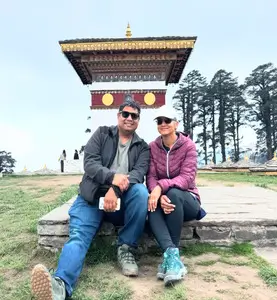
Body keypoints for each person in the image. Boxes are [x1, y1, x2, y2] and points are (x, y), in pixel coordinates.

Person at [31, 99, 150, 300]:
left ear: (138, 120)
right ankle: (60, 286)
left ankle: (126, 247)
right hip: (92, 198)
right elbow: (90, 163)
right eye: (125, 114)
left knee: (141, 193)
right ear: (118, 116)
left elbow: (139, 173)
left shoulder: (142, 147)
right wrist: (113, 179)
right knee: (78, 237)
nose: (129, 118)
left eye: (134, 116)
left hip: (121, 201)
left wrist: (115, 190)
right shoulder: (102, 133)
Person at [146, 105, 206, 286]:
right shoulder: (152, 147)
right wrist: (156, 193)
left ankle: (172, 259)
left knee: (172, 192)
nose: (163, 124)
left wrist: (160, 188)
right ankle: (172, 257)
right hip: (165, 198)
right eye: (159, 121)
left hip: (188, 200)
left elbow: (187, 178)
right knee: (151, 203)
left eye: (167, 120)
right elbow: (151, 176)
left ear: (176, 124)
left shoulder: (188, 146)